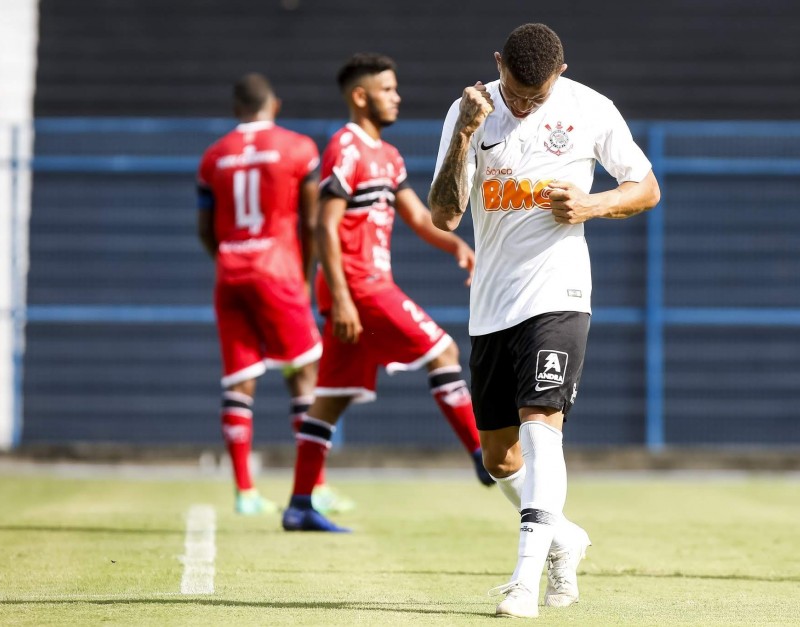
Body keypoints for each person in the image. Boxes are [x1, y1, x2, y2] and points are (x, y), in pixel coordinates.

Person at [428, 23, 661, 618]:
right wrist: (465, 134)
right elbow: (445, 215)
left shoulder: (589, 108)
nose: (528, 104)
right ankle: (566, 538)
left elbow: (646, 187)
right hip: (492, 305)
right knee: (501, 459)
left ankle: (524, 581)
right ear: (497, 64)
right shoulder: (468, 112)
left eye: (539, 94)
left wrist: (594, 204)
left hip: (560, 294)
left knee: (542, 421)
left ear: (561, 72)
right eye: (517, 91)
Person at [281, 52, 493, 533]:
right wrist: (340, 296)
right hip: (359, 285)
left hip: (360, 288)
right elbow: (323, 227)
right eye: (388, 89)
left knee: (330, 399)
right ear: (361, 96)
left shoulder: (388, 156)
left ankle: (298, 504)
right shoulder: (346, 147)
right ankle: (482, 454)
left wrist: (457, 245)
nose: (397, 97)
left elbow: (419, 217)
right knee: (444, 350)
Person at [196, 73, 353, 517]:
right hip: (278, 272)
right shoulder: (299, 147)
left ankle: (245, 492)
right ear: (275, 105)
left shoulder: (213, 156)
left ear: (235, 110)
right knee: (304, 373)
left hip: (231, 272)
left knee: (239, 380)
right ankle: (315, 486)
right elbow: (310, 222)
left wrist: (229, 259)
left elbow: (204, 229)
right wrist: (305, 277)